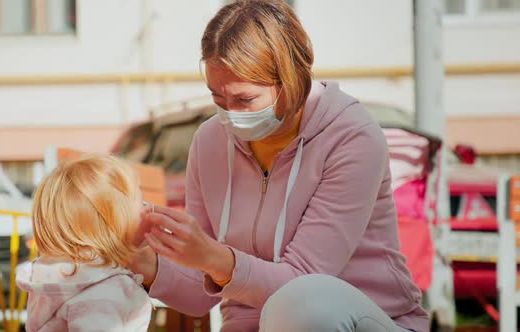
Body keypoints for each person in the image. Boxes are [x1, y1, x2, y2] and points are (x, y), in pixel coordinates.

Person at [131, 0, 428, 331]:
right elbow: (201, 292)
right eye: (218, 100)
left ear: (291, 80)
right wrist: (139, 261)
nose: (230, 114)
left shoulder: (353, 137)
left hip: (365, 320)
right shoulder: (209, 142)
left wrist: (214, 257)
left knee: (302, 302)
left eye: (245, 100)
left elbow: (303, 283)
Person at [17, 154, 152, 332]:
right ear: (113, 223)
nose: (149, 208)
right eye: (141, 203)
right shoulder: (105, 290)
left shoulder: (64, 278)